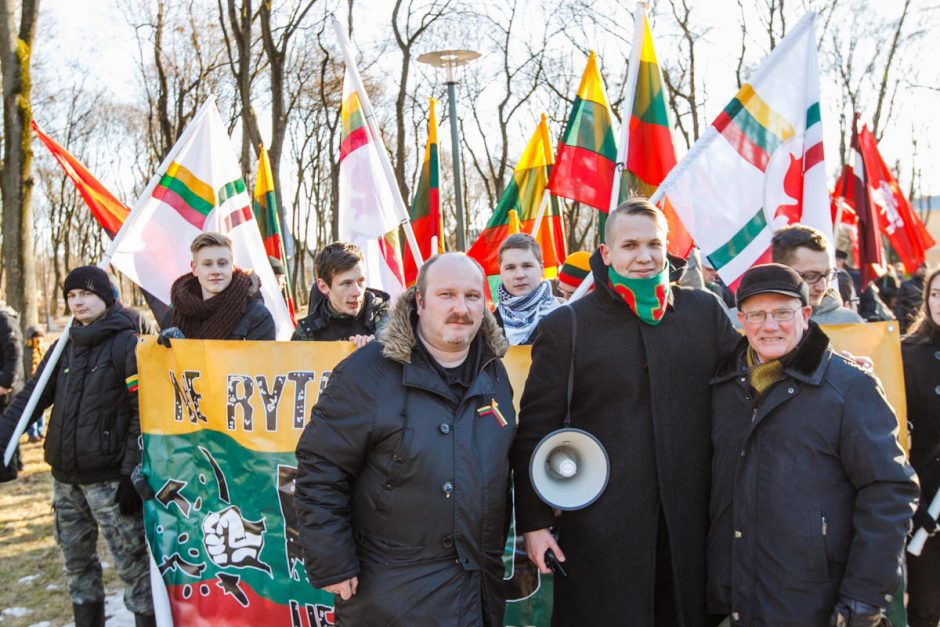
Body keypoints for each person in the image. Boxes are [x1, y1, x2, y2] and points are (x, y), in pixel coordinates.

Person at [511, 198, 741, 626]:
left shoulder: (704, 313)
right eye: (630, 245)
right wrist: (535, 523)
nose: (644, 256)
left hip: (688, 530)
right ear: (607, 253)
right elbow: (535, 432)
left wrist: (831, 362)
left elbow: (753, 374)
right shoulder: (568, 326)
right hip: (602, 532)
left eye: (653, 244)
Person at [294, 253, 515, 625]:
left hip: (477, 587)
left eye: (472, 297)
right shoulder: (367, 373)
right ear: (420, 301)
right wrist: (331, 560)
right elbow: (321, 469)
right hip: (392, 592)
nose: (461, 308)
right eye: (446, 295)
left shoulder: (493, 371)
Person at [708, 263, 918, 626]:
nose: (769, 325)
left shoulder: (849, 387)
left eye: (782, 313)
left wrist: (864, 596)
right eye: (757, 314)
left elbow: (889, 492)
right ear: (741, 319)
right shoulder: (723, 388)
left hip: (812, 602)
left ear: (805, 314)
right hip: (733, 598)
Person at [0, 266, 154, 627]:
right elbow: (30, 400)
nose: (78, 301)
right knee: (77, 568)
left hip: (111, 482)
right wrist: (3, 436)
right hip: (65, 481)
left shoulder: (128, 343)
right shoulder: (63, 346)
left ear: (106, 297)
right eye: (71, 296)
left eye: (86, 293)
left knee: (134, 569)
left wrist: (132, 472)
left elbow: (142, 413)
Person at [901, 267, 940, 627]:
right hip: (924, 498)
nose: (939, 302)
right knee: (926, 604)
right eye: (935, 293)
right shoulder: (907, 353)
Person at [727, 225, 863, 328]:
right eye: (810, 276)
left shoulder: (850, 324)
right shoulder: (734, 324)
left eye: (828, 275)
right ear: (779, 271)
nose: (822, 287)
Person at [163, 232, 275, 340]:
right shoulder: (173, 316)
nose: (215, 271)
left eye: (222, 263)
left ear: (232, 267)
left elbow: (260, 359)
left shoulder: (257, 316)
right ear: (194, 268)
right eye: (207, 264)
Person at [292, 242, 388, 348]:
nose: (357, 292)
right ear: (323, 287)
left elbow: (401, 353)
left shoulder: (385, 318)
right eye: (346, 283)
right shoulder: (306, 332)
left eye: (361, 281)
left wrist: (377, 349)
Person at [494, 233, 562, 345]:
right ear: (500, 272)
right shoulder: (486, 326)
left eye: (527, 266)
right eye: (510, 268)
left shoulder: (565, 319)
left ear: (541, 269)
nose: (519, 275)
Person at [24, 325, 43, 441]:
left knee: (40, 409)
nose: (38, 341)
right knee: (31, 410)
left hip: (40, 385)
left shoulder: (41, 351)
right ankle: (33, 433)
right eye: (36, 339)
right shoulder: (26, 352)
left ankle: (40, 430)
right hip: (30, 385)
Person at [897, 262, 928, 333]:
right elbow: (900, 306)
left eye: (925, 267)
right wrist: (902, 325)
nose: (923, 269)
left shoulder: (928, 284)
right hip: (911, 323)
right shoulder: (905, 285)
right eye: (921, 267)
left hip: (926, 323)